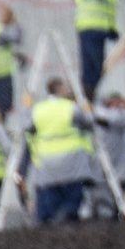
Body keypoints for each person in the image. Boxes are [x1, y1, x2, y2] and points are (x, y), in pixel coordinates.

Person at [25, 79, 98, 225]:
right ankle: (66, 217)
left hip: (46, 159)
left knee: (49, 195)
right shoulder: (70, 107)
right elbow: (88, 122)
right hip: (71, 159)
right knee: (72, 196)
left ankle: (48, 221)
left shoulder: (38, 109)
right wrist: (88, 110)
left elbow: (28, 128)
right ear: (59, 89)